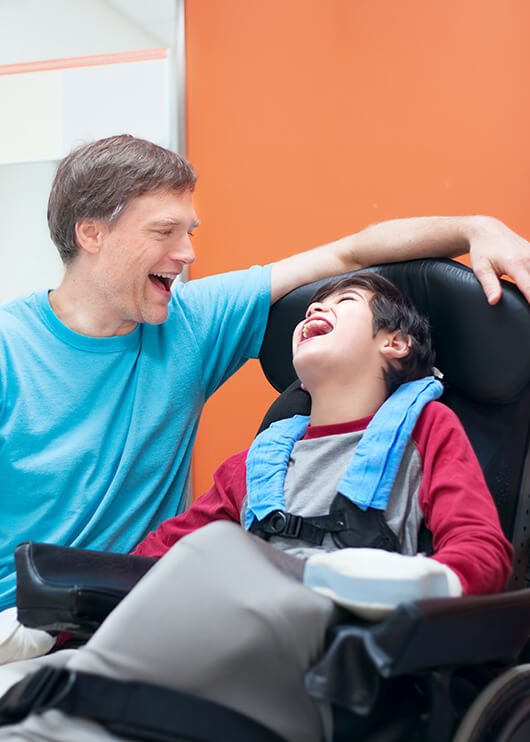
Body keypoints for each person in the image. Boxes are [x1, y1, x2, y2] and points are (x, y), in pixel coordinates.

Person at [1, 133, 528, 618]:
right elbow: (182, 544)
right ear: (91, 233)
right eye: (165, 231)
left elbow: (351, 252)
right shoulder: (10, 348)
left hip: (121, 611)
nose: (187, 255)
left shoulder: (192, 322)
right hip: (29, 614)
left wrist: (474, 228)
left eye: (189, 232)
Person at [0, 273, 512, 742]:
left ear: (394, 343)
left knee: (217, 551)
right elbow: (155, 559)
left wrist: (409, 582)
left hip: (331, 662)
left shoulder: (427, 430)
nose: (316, 310)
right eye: (313, 304)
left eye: (344, 301)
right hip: (223, 648)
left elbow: (483, 551)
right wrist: (55, 619)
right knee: (22, 685)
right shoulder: (256, 463)